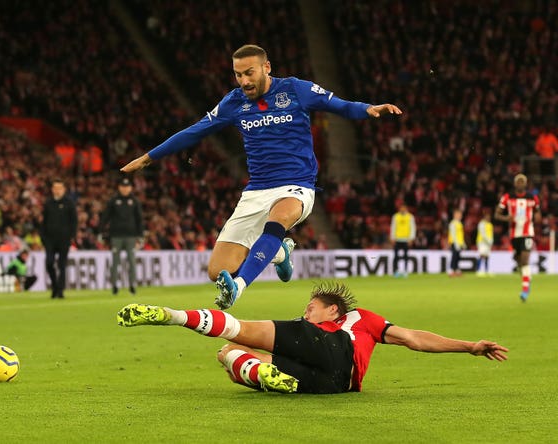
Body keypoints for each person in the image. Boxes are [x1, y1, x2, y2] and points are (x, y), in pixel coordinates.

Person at [120, 44, 402, 309]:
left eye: (249, 73)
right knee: (217, 271)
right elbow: (195, 131)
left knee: (278, 220)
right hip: (256, 191)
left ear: (266, 67)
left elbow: (338, 104)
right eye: (238, 74)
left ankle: (238, 287)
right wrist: (148, 158)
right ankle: (280, 253)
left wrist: (367, 108)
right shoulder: (233, 102)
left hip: (297, 185)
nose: (243, 81)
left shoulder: (294, 89)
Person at [116, 282, 508, 394]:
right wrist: (470, 348)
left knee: (240, 330)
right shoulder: (369, 327)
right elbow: (412, 339)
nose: (306, 313)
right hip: (334, 384)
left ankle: (170, 316)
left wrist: (467, 345)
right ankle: (263, 375)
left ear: (333, 311)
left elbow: (415, 337)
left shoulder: (357, 320)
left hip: (336, 349)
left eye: (311, 308)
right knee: (230, 355)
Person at [494, 173, 541, 301]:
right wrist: (506, 218)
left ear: (525, 184)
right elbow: (497, 214)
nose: (520, 184)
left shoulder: (533, 198)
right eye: (518, 181)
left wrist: (537, 217)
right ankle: (527, 278)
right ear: (515, 184)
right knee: (519, 260)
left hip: (527, 233)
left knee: (525, 260)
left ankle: (525, 290)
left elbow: (538, 213)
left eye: (522, 181)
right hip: (514, 234)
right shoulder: (507, 197)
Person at [100, 177, 144, 295]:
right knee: (115, 262)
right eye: (123, 187)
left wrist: (140, 235)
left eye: (127, 187)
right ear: (119, 187)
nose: (125, 189)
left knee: (131, 261)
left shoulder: (135, 201)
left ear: (130, 188)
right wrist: (101, 231)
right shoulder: (113, 201)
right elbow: (105, 217)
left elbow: (139, 219)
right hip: (116, 236)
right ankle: (114, 286)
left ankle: (132, 285)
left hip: (131, 236)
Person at [41, 179, 77, 299]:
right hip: (50, 239)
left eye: (59, 188)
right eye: (55, 188)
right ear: (52, 189)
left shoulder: (69, 203)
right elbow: (44, 222)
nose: (57, 190)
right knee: (49, 263)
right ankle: (55, 286)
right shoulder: (48, 203)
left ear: (64, 189)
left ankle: (60, 290)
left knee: (62, 264)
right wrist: (43, 237)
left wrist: (71, 236)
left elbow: (74, 221)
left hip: (64, 239)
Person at [389, 204, 416, 277]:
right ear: (399, 209)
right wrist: (392, 237)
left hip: (406, 239)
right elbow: (393, 227)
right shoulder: (395, 216)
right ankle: (396, 271)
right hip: (397, 239)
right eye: (401, 208)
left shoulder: (410, 217)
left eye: (404, 208)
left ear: (406, 208)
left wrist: (411, 238)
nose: (402, 209)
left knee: (406, 256)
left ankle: (405, 270)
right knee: (396, 256)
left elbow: (413, 228)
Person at [475, 209, 494, 277]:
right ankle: (478, 270)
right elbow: (483, 233)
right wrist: (488, 240)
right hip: (482, 242)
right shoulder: (481, 224)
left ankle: (486, 270)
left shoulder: (490, 224)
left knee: (487, 256)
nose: (488, 218)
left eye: (489, 217)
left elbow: (491, 234)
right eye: (487, 217)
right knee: (482, 255)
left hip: (488, 243)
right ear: (484, 217)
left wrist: (491, 241)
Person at [447, 209, 465, 277]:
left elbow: (460, 234)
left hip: (459, 243)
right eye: (459, 214)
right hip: (454, 242)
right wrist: (456, 242)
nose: (461, 216)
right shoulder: (453, 223)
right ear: (455, 215)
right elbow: (453, 234)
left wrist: (462, 242)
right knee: (454, 256)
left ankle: (457, 270)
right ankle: (451, 270)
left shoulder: (459, 223)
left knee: (458, 257)